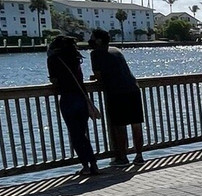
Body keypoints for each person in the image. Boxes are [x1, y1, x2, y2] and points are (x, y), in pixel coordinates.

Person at [88, 28, 145, 166]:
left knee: (119, 126)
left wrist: (94, 78)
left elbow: (99, 76)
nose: (90, 40)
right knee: (136, 124)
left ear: (99, 40)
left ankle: (122, 158)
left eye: (92, 37)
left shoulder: (95, 54)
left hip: (116, 92)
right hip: (133, 88)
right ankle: (139, 156)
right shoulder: (116, 50)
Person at [47, 36, 99, 176]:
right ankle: (93, 164)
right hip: (81, 98)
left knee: (75, 135)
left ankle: (86, 166)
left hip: (68, 99)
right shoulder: (75, 57)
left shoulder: (53, 59)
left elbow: (54, 80)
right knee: (82, 133)